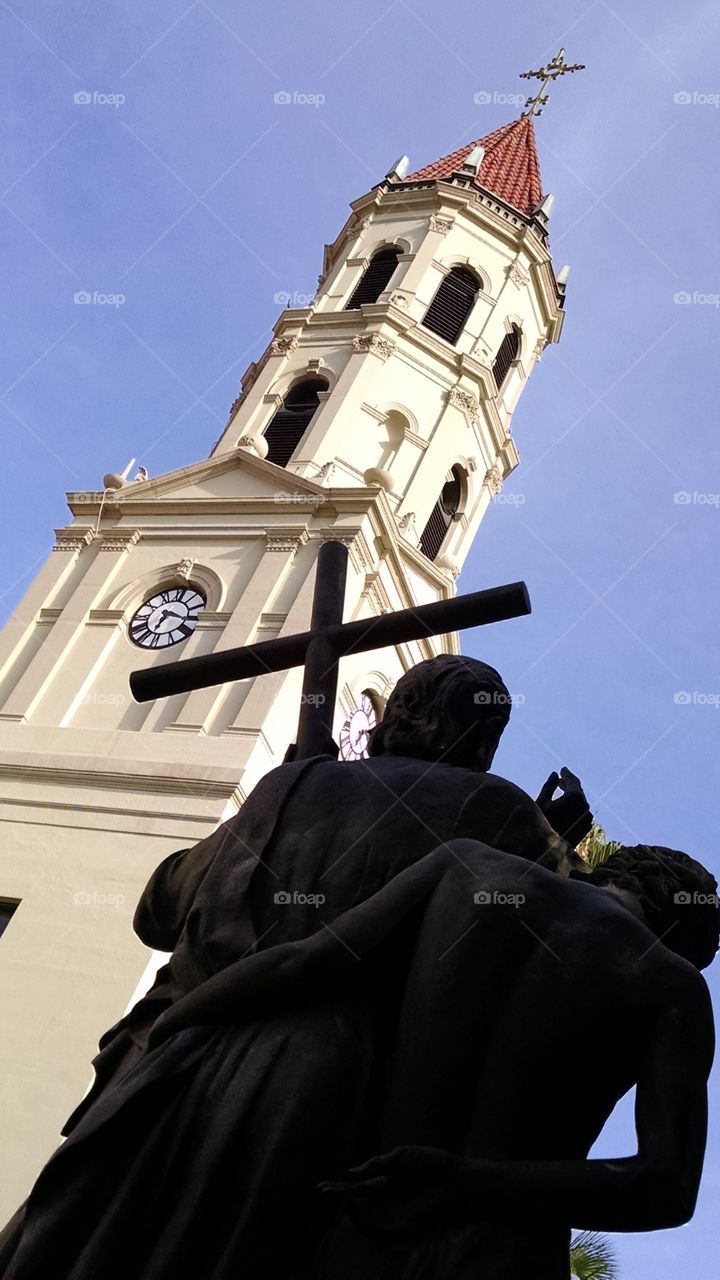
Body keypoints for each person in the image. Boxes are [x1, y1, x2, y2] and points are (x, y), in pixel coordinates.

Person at [0, 655, 593, 1279]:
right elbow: (535, 969)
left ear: (403, 710)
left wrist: (270, 810)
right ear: (481, 735)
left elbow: (160, 909)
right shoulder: (502, 815)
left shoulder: (296, 784)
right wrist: (557, 846)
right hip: (330, 1084)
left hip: (174, 1062)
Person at [319, 843, 719, 1278]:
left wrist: (228, 994)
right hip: (505, 1256)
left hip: (360, 1218)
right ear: (679, 935)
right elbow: (666, 1187)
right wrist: (463, 1182)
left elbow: (307, 961)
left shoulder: (467, 862)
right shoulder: (673, 982)